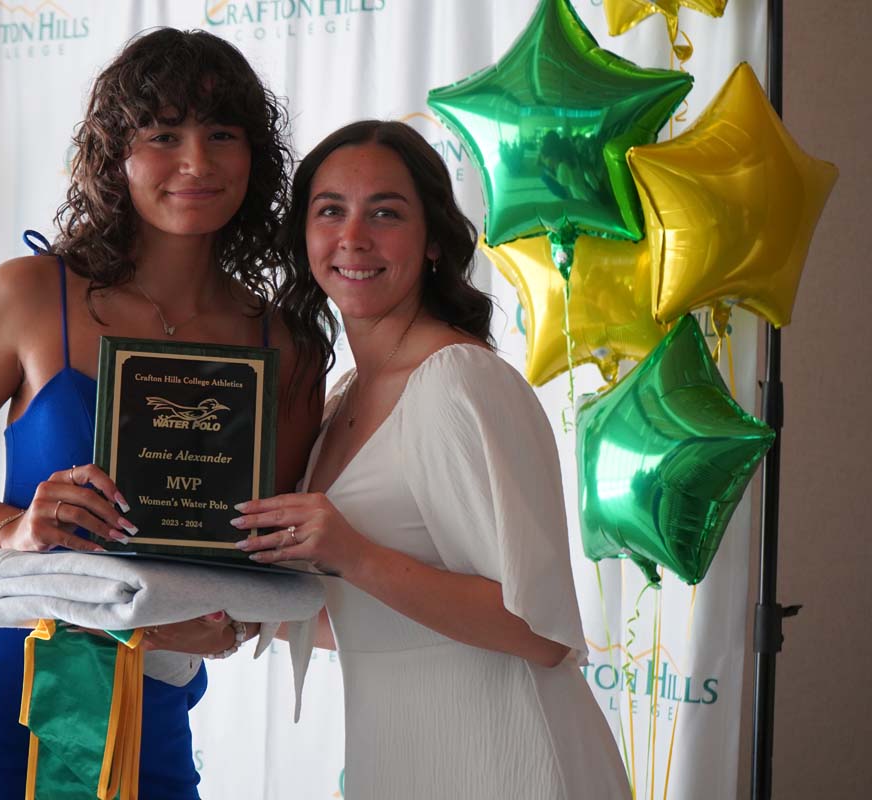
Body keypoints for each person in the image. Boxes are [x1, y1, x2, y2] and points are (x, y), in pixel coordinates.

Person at [0, 29, 321, 799]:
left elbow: (262, 554)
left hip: (152, 700)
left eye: (223, 134)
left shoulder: (283, 344)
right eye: (164, 135)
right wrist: (10, 530)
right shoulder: (28, 294)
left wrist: (228, 624)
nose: (197, 162)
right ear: (115, 154)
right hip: (0, 694)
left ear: (256, 157)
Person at [232, 120, 630, 799]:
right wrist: (228, 604)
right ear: (305, 236)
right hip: (402, 755)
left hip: (509, 760)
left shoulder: (459, 382)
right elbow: (371, 617)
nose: (354, 237)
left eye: (385, 213)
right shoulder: (341, 400)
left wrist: (353, 553)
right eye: (331, 211)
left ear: (436, 243)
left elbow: (539, 633)